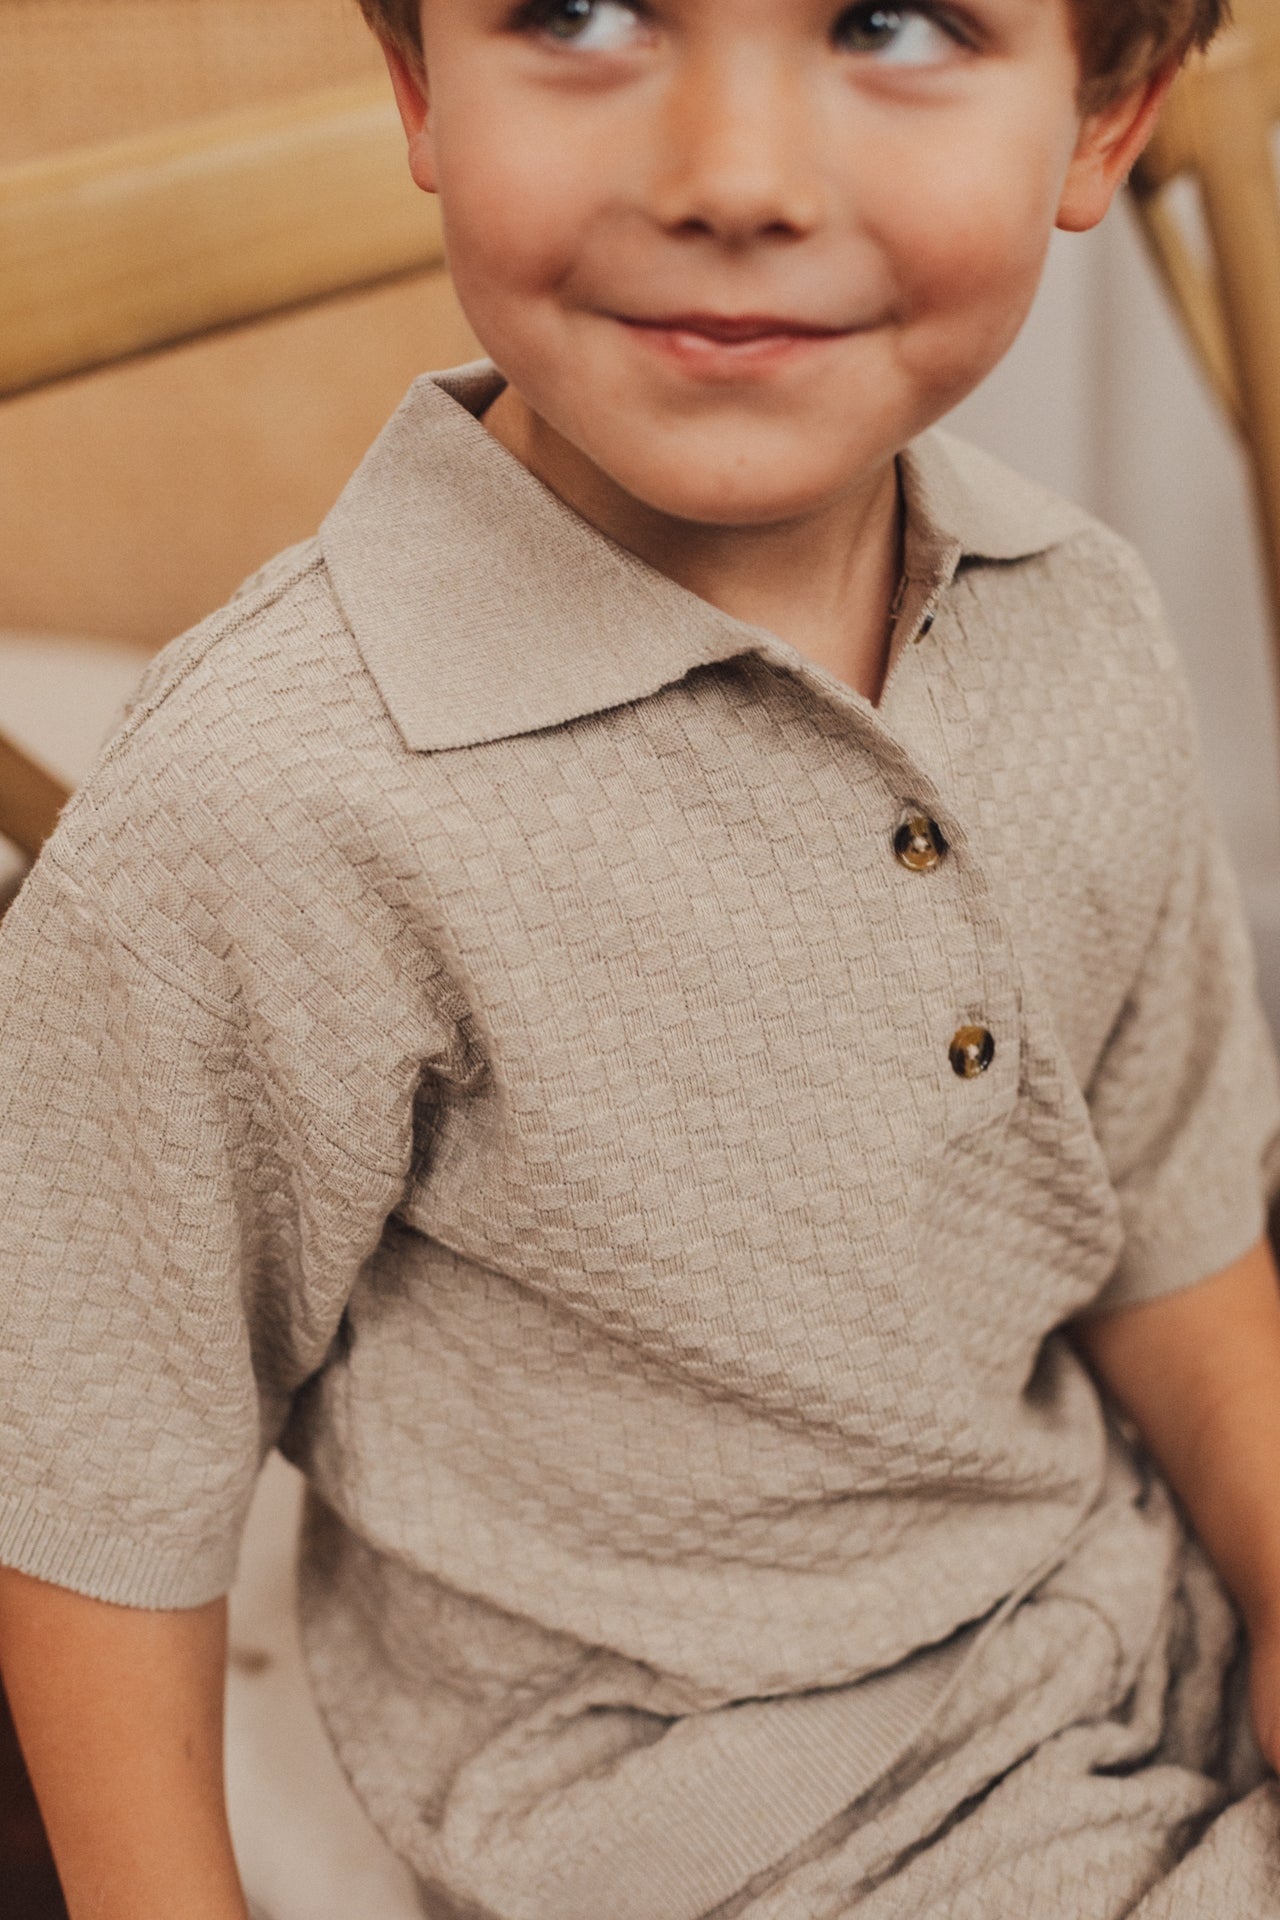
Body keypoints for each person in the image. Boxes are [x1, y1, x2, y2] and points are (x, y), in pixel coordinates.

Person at [2, 0, 1279, 1913]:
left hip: (1127, 1603)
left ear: (1102, 116)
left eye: (891, 20)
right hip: (745, 1826)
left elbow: (1174, 1227)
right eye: (583, 9)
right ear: (421, 82)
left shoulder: (1082, 623)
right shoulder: (266, 812)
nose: (735, 179)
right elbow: (96, 1479)